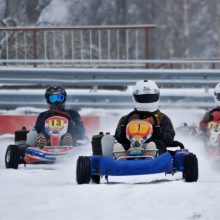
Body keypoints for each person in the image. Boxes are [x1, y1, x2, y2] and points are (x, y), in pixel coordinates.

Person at [115, 80, 175, 154]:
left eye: (150, 98)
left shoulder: (162, 118)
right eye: (143, 98)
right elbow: (119, 138)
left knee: (157, 144)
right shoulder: (127, 119)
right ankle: (121, 157)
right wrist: (123, 130)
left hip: (155, 152)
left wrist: (159, 132)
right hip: (130, 149)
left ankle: (150, 153)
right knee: (118, 146)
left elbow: (169, 140)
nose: (147, 100)